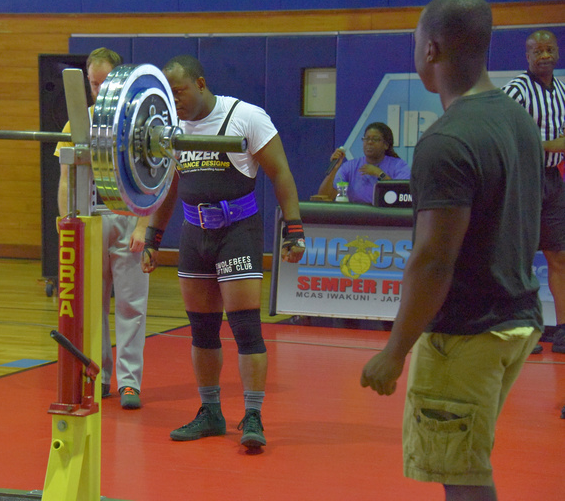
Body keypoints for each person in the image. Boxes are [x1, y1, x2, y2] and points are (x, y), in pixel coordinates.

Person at [360, 0, 544, 501]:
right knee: (465, 463)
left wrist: (394, 352)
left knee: (462, 474)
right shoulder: (518, 119)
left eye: (416, 42)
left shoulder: (447, 140)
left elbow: (433, 260)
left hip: (467, 333)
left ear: (432, 49)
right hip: (516, 318)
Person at [141, 55, 306, 449]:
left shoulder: (245, 116)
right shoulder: (170, 129)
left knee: (246, 329)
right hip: (194, 235)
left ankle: (253, 415)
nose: (174, 101)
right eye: (168, 95)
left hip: (238, 233)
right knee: (202, 331)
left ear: (200, 83)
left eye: (179, 92)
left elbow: (280, 172)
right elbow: (168, 187)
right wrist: (152, 237)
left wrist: (294, 229)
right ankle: (211, 412)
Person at [55, 47, 149, 410]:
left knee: (131, 305)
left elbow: (153, 179)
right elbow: (67, 178)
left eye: (105, 82)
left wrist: (144, 226)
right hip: (91, 219)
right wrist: (68, 224)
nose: (98, 89)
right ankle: (99, 375)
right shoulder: (77, 124)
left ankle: (130, 383)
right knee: (91, 306)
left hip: (128, 219)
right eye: (93, 83)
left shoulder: (138, 123)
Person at [502, 29, 565, 355]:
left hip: (553, 179)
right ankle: (521, 328)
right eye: (537, 51)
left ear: (557, 53)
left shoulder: (563, 90)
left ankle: (562, 330)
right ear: (527, 56)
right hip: (522, 179)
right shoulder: (517, 89)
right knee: (521, 257)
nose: (544, 55)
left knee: (559, 256)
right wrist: (548, 145)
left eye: (549, 49)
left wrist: (547, 147)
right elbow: (501, 132)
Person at [317, 122, 410, 204]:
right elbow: (325, 196)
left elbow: (403, 196)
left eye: (375, 139)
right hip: (356, 215)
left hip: (387, 215)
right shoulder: (350, 167)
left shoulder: (399, 165)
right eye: (366, 139)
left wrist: (380, 174)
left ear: (386, 145)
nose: (369, 142)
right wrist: (334, 169)